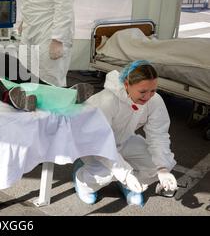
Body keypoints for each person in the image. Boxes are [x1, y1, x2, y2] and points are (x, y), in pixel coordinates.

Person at [73, 60, 178, 206]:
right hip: (92, 146)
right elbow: (100, 142)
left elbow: (158, 135)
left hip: (123, 140)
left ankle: (128, 186)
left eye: (153, 90)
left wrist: (162, 168)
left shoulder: (154, 100)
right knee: (107, 172)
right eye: (142, 91)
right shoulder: (107, 101)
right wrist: (126, 174)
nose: (148, 97)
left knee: (155, 164)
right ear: (127, 84)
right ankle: (83, 181)